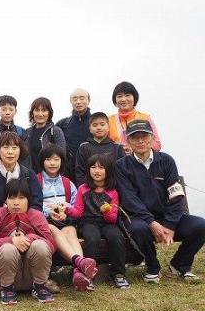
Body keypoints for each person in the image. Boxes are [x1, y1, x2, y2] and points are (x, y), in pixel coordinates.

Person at [116, 120, 205, 283]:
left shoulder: (167, 160)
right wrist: (152, 222)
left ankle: (179, 266)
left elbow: (176, 194)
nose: (140, 141)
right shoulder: (121, 165)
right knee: (138, 229)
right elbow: (129, 199)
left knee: (201, 225)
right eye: (135, 137)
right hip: (140, 219)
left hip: (167, 216)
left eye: (144, 136)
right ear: (128, 141)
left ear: (152, 138)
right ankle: (152, 267)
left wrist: (170, 225)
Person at [0, 131, 43, 299]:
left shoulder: (28, 174)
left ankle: (41, 280)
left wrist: (24, 219)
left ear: (20, 150)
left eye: (14, 147)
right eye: (6, 147)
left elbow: (37, 202)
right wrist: (2, 212)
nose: (10, 152)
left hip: (27, 223)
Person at [0, 179, 56, 304]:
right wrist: (12, 240)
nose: (16, 203)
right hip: (4, 273)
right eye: (11, 198)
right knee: (7, 248)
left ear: (28, 200)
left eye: (21, 198)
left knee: (40, 245)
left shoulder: (36, 215)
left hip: (31, 273)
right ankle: (6, 289)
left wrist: (29, 238)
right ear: (5, 200)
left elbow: (51, 244)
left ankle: (39, 287)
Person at [37, 145, 98, 291]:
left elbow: (76, 205)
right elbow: (33, 204)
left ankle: (79, 271)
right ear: (42, 162)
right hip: (45, 222)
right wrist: (48, 212)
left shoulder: (67, 183)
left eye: (56, 159)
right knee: (55, 231)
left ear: (62, 161)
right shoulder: (36, 181)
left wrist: (67, 212)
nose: (52, 163)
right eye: (48, 159)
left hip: (65, 220)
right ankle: (81, 266)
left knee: (70, 231)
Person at [66, 153, 130, 289]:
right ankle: (88, 274)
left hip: (107, 223)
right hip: (88, 222)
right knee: (92, 237)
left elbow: (112, 218)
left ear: (108, 170)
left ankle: (118, 273)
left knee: (116, 236)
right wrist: (66, 209)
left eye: (101, 168)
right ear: (88, 170)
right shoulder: (83, 189)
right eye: (93, 167)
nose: (96, 171)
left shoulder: (112, 192)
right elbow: (78, 211)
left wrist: (106, 210)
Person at [108, 81, 161, 155]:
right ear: (115, 100)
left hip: (140, 162)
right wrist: (119, 150)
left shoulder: (145, 118)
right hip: (116, 163)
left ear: (134, 98)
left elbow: (157, 144)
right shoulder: (109, 120)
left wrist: (136, 149)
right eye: (119, 96)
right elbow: (104, 145)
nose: (123, 99)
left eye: (127, 95)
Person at [75, 112, 125, 187]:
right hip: (89, 190)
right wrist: (85, 190)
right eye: (94, 125)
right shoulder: (84, 147)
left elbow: (121, 173)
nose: (99, 127)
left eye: (102, 124)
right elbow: (80, 173)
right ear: (90, 129)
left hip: (112, 190)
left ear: (108, 127)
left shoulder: (117, 147)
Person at [56, 88, 92, 182]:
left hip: (92, 170)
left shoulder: (96, 123)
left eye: (82, 98)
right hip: (68, 172)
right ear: (71, 102)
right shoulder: (62, 124)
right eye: (75, 99)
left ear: (88, 100)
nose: (78, 102)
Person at [24, 97, 66, 171]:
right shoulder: (27, 132)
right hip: (31, 176)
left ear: (49, 113)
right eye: (37, 110)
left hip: (49, 176)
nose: (40, 114)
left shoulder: (55, 131)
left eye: (44, 111)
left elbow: (62, 156)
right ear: (32, 113)